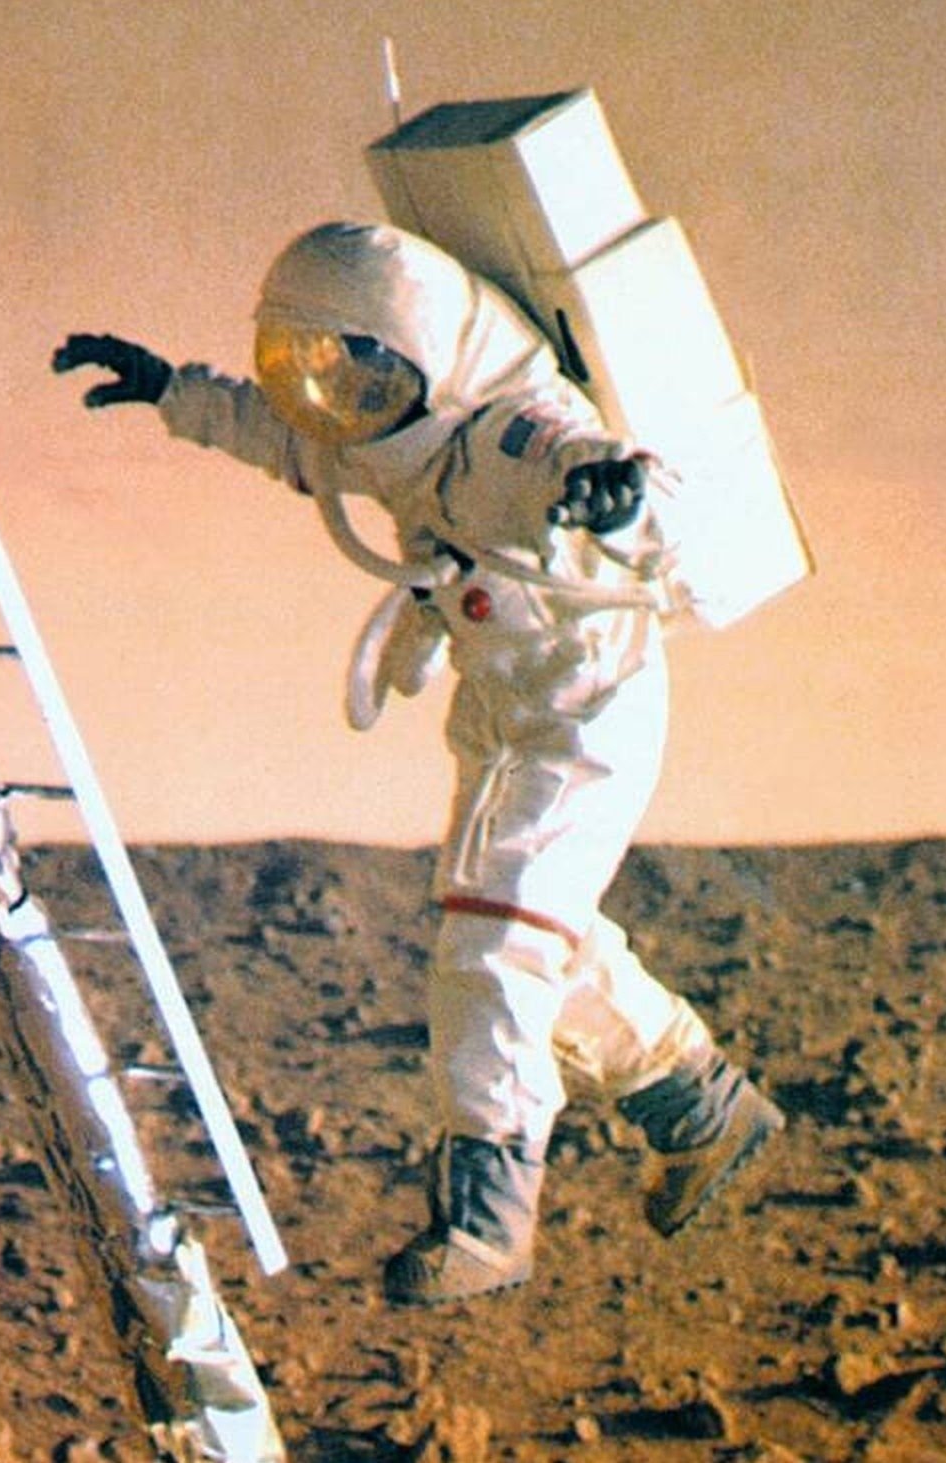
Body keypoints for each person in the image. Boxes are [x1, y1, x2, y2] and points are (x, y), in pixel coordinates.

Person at [54, 221, 781, 1306]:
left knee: (494, 945)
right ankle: (699, 1104)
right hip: (508, 712)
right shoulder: (385, 431)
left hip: (587, 717)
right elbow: (280, 439)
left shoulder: (513, 434)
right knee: (539, 936)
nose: (333, 396)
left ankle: (488, 1215)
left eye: (350, 369)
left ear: (421, 351)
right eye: (311, 370)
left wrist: (615, 495)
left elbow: (611, 475)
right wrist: (171, 391)